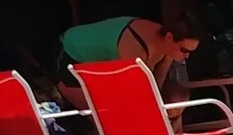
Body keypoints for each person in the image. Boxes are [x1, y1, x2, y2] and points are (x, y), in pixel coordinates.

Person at [57, 16, 200, 100]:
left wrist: (169, 59)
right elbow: (142, 95)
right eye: (184, 50)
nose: (186, 56)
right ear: (169, 37)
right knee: (104, 124)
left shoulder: (164, 42)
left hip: (93, 65)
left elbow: (153, 90)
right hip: (69, 58)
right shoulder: (136, 48)